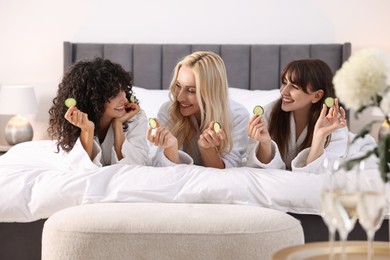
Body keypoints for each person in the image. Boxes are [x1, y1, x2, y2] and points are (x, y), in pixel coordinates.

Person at [246, 58, 376, 172]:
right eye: (285, 82)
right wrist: (265, 143)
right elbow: (259, 169)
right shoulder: (268, 114)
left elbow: (318, 172)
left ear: (317, 95)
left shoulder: (333, 124)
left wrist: (320, 137)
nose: (283, 91)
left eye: (294, 87)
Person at [146, 51, 249, 168]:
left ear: (212, 93)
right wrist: (170, 147)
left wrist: (208, 150)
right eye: (178, 86)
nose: (179, 98)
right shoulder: (168, 111)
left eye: (191, 91)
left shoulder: (238, 116)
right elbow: (162, 170)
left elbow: (229, 171)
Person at [48, 57, 149, 167]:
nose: (124, 99)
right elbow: (77, 169)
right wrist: (87, 130)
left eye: (123, 90)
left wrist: (118, 125)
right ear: (94, 98)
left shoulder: (135, 117)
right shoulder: (73, 119)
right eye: (114, 94)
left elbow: (136, 166)